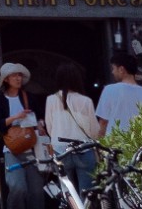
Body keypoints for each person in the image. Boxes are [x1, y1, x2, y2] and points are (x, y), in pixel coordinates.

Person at [0, 64, 44, 209]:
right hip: (11, 149)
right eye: (14, 75)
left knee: (37, 191)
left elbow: (40, 117)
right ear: (6, 79)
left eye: (19, 75)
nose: (18, 78)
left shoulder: (29, 97)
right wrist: (16, 117)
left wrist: (40, 124)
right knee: (18, 187)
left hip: (31, 147)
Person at [46, 66, 103, 195]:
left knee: (68, 194)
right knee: (86, 194)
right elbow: (94, 131)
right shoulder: (86, 101)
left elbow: (50, 128)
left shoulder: (51, 100)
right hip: (84, 150)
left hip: (61, 152)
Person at [94, 55, 142, 134]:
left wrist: (99, 139)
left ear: (121, 69)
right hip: (138, 140)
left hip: (114, 140)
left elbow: (103, 122)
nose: (112, 72)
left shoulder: (109, 90)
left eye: (113, 68)